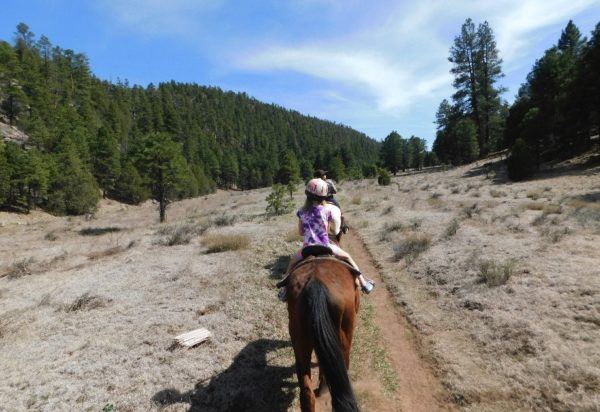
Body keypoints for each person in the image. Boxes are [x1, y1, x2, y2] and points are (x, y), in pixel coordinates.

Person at [278, 178, 374, 301]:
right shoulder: (327, 210)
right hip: (326, 246)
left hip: (307, 248)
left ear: (307, 195)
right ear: (324, 196)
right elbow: (328, 230)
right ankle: (363, 283)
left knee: (292, 263)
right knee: (347, 257)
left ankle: (285, 290)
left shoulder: (301, 212)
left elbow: (301, 232)